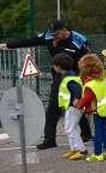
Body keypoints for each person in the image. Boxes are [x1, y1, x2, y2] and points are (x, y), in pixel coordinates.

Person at [0, 19, 92, 149]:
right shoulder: (48, 36)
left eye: (56, 33)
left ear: (65, 30)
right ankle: (49, 140)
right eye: (52, 33)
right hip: (58, 77)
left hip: (75, 77)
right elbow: (29, 41)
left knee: (75, 106)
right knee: (52, 109)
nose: (53, 36)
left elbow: (88, 60)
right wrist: (6, 45)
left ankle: (87, 133)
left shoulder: (79, 40)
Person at [76, 54, 106, 162]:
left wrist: (79, 104)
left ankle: (98, 154)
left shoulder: (90, 84)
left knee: (97, 133)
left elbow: (87, 98)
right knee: (105, 131)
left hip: (96, 111)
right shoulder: (103, 79)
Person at [53, 54, 87, 161]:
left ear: (58, 66)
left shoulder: (69, 78)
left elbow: (76, 89)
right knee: (73, 127)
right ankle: (74, 148)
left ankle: (81, 150)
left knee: (70, 128)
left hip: (74, 107)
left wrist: (76, 98)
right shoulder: (71, 75)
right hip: (72, 107)